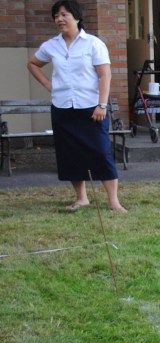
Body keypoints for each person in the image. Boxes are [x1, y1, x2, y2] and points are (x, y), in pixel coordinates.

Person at [27, 0, 126, 212]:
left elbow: (104, 75)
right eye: (56, 16)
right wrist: (47, 84)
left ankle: (113, 201)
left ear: (77, 17)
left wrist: (102, 104)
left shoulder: (93, 44)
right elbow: (32, 63)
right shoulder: (51, 45)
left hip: (91, 108)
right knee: (70, 154)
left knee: (101, 152)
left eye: (64, 15)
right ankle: (81, 198)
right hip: (62, 107)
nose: (59, 19)